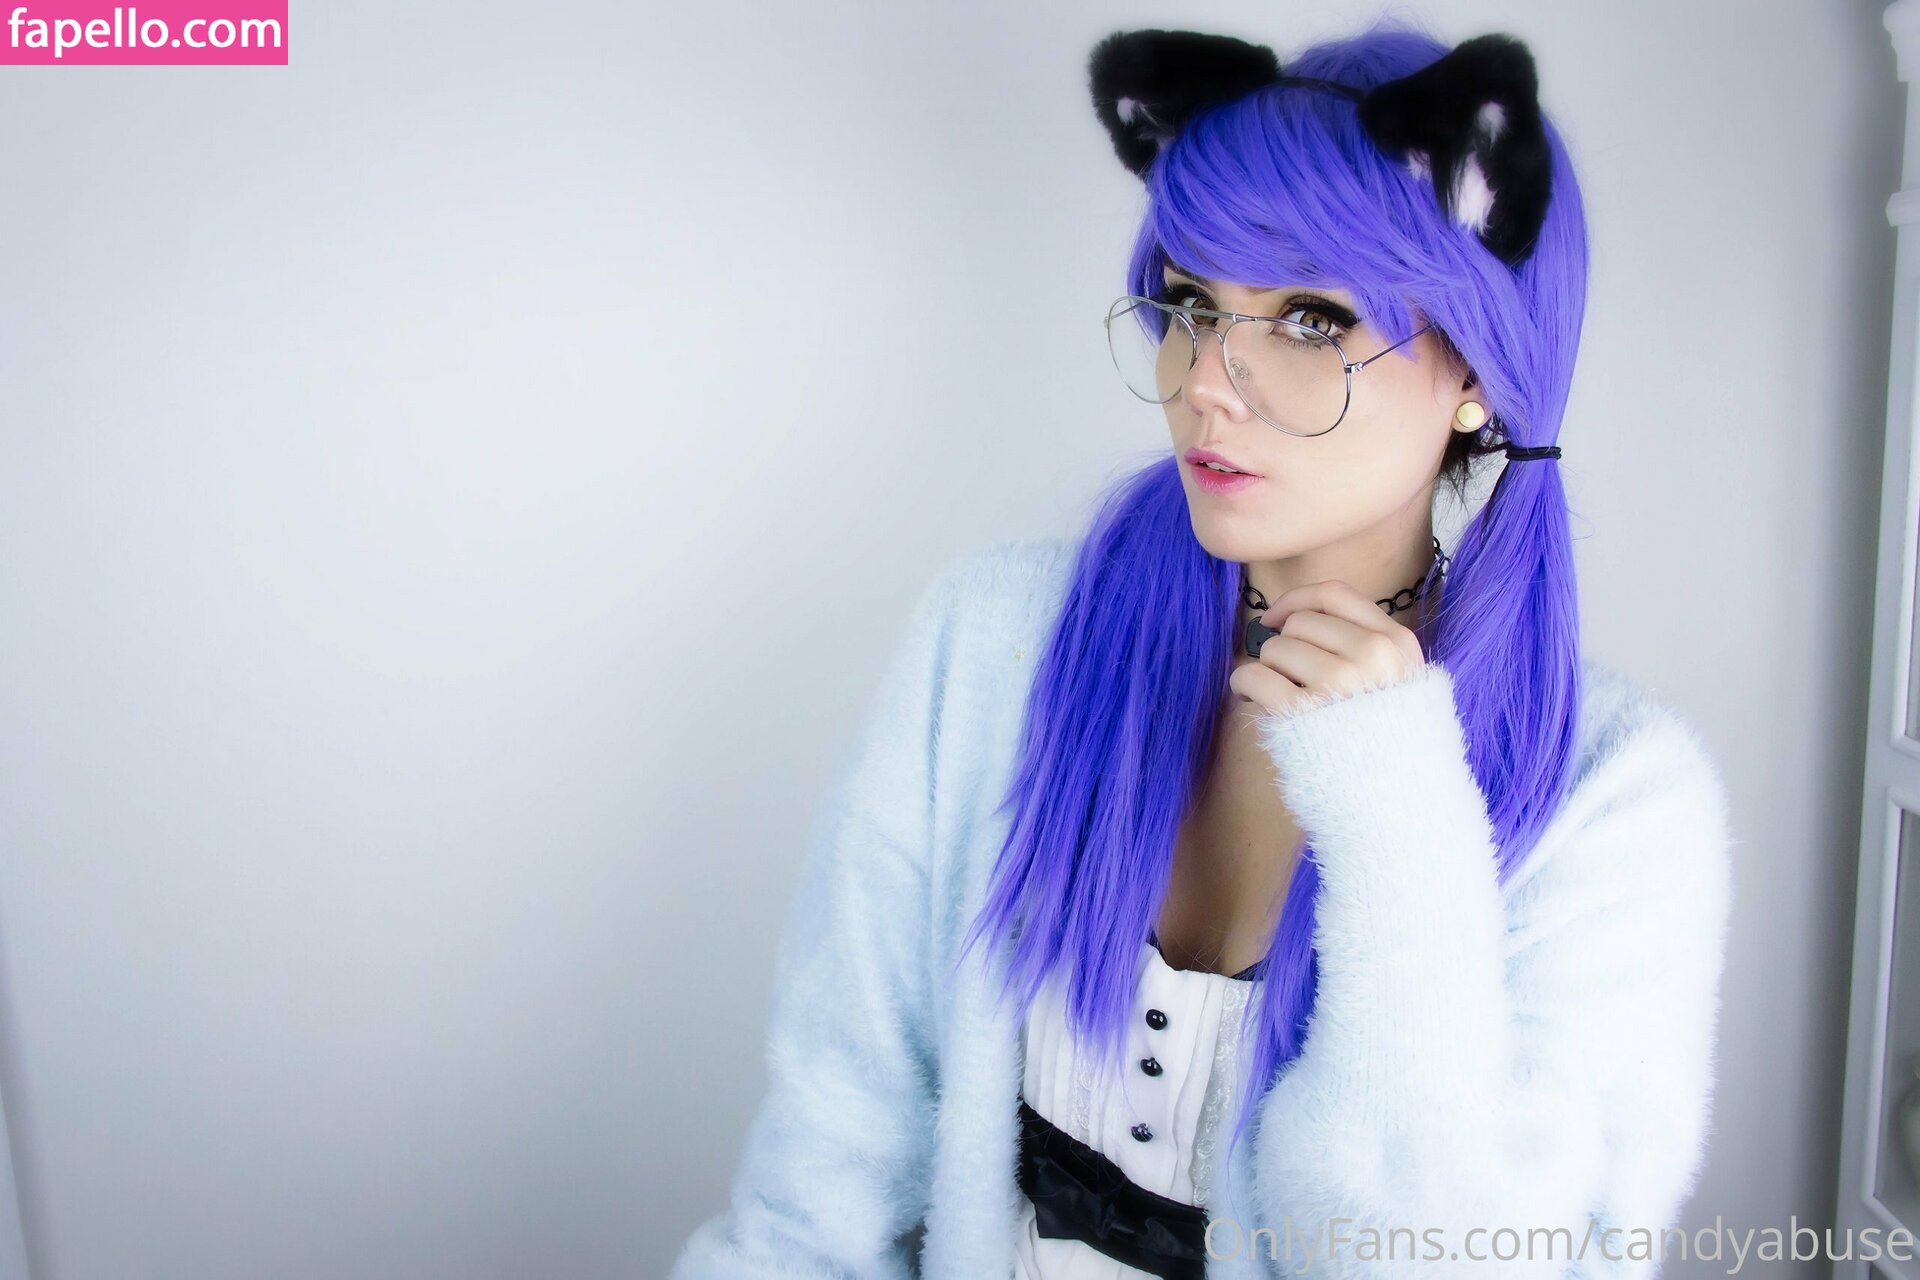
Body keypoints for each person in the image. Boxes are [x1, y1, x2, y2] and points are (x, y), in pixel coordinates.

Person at [671, 17, 1734, 1280]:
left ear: (1478, 375)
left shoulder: (1616, 800)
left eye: (1311, 318)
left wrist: (1399, 817)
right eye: (1189, 303)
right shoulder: (997, 643)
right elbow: (824, 1173)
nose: (1209, 382)